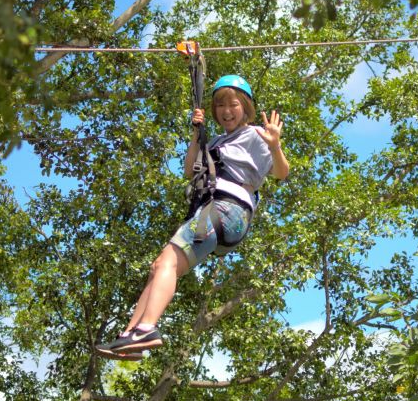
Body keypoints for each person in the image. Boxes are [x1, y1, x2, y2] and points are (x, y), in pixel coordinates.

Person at [96, 75, 289, 358]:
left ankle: (147, 327)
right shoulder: (216, 142)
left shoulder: (254, 135)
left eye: (233, 104)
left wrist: (275, 145)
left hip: (227, 210)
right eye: (220, 105)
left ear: (245, 107)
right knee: (160, 267)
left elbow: (281, 173)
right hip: (215, 213)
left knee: (166, 262)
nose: (226, 110)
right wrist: (197, 135)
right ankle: (130, 336)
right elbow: (190, 171)